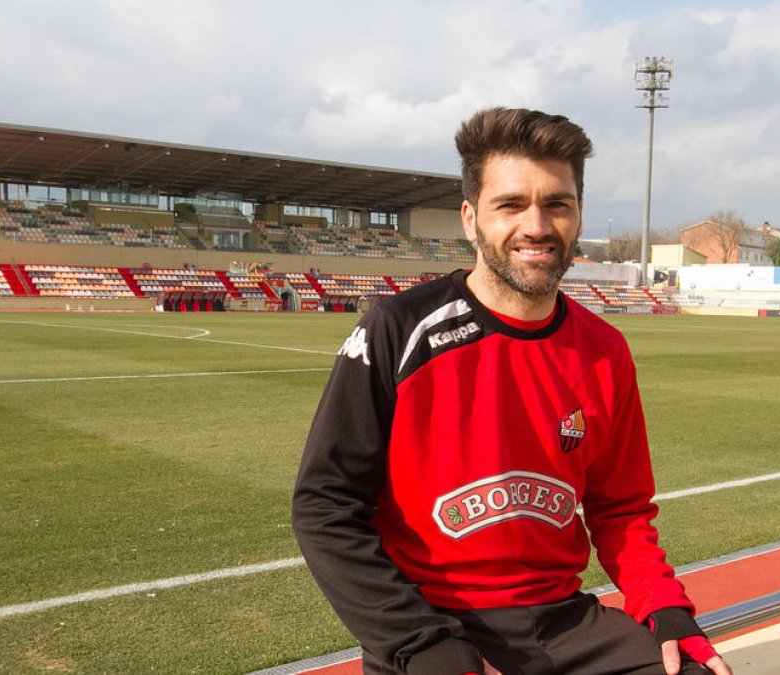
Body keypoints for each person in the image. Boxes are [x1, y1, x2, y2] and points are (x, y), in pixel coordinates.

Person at [292, 107, 731, 675]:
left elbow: (620, 508)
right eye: (511, 205)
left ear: (578, 214)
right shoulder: (398, 329)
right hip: (429, 621)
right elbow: (325, 505)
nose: (537, 225)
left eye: (557, 204)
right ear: (471, 219)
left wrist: (663, 605)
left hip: (564, 622)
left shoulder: (605, 349)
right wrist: (415, 639)